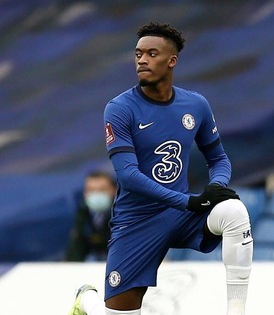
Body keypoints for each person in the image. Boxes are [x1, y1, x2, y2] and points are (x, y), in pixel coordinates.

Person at [69, 22, 253, 315]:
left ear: (172, 60)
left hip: (180, 214)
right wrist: (189, 201)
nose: (142, 60)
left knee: (234, 210)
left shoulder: (196, 105)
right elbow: (128, 177)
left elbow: (218, 159)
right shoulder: (120, 108)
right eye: (138, 54)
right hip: (136, 221)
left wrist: (217, 186)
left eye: (152, 53)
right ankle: (86, 301)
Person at [65, 170, 116, 262]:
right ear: (85, 193)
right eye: (91, 190)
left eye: (101, 190)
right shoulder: (79, 214)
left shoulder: (125, 214)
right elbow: (75, 247)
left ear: (113, 190)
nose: (96, 194)